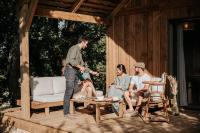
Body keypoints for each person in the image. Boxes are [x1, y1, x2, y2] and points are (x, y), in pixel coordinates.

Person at [63, 36, 98, 117]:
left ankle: (72, 110)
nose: (87, 45)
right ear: (83, 42)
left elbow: (83, 66)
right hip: (70, 70)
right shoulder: (74, 48)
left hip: (75, 72)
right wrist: (79, 67)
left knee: (73, 91)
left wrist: (92, 72)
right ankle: (66, 113)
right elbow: (71, 60)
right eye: (86, 43)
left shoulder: (79, 52)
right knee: (69, 91)